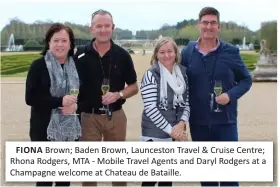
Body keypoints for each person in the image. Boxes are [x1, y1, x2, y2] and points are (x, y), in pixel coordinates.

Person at [181, 7, 252, 187]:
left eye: (213, 23)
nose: (209, 26)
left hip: (226, 121)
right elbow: (179, 82)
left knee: (229, 177)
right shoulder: (188, 52)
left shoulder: (231, 52)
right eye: (205, 22)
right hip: (198, 123)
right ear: (199, 25)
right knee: (208, 178)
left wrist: (230, 95)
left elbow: (246, 79)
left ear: (218, 27)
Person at [74, 9, 138, 187]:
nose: (103, 29)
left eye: (107, 26)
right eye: (99, 26)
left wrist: (119, 94)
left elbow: (134, 87)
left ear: (113, 27)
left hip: (115, 116)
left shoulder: (123, 55)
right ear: (91, 29)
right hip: (87, 117)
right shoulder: (78, 54)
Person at [25, 23, 80, 186]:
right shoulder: (38, 65)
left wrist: (76, 106)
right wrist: (59, 101)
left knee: (64, 181)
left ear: (71, 44)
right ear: (48, 42)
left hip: (69, 131)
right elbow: (30, 98)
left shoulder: (78, 66)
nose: (60, 44)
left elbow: (86, 96)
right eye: (56, 40)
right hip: (43, 130)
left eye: (64, 40)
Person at [140, 37, 189, 187]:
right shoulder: (150, 75)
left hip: (175, 132)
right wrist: (171, 131)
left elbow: (187, 102)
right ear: (156, 55)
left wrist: (181, 124)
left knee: (167, 180)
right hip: (155, 135)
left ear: (176, 53)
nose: (166, 55)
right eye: (162, 52)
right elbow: (150, 108)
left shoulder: (182, 73)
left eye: (170, 51)